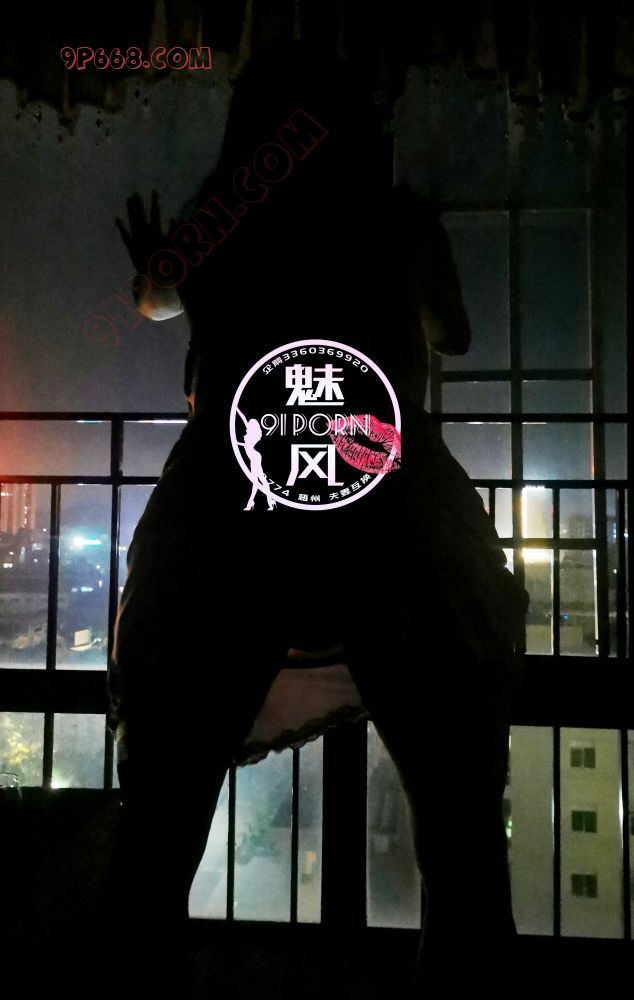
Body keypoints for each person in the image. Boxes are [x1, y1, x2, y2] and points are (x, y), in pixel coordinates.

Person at [106, 39, 528, 995]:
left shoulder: (223, 217)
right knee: (463, 847)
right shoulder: (398, 221)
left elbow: (157, 299)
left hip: (227, 509)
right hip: (395, 508)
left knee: (156, 839)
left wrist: (163, 272)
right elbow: (455, 333)